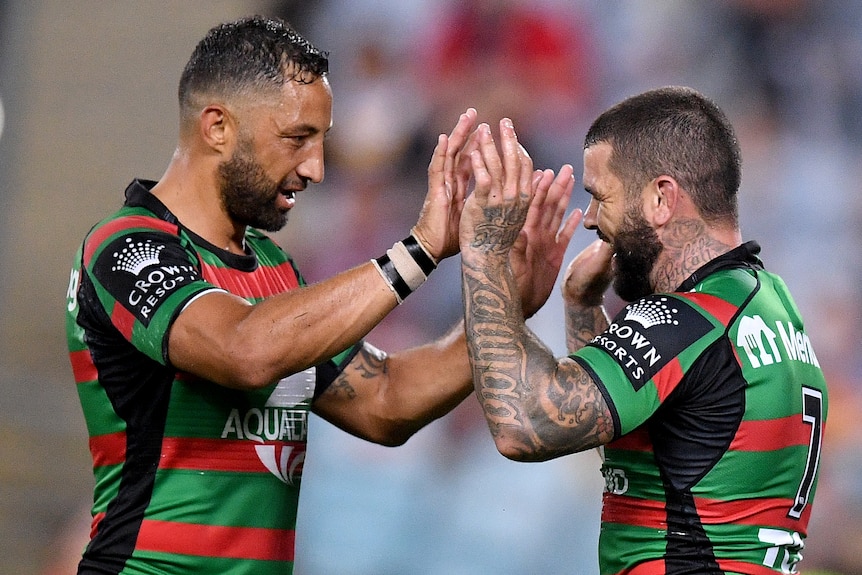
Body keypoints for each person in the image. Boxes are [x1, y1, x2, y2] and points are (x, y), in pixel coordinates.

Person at [64, 15, 577, 575]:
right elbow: (244, 350)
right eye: (297, 138)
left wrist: (502, 305)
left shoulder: (274, 269)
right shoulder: (126, 249)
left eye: (322, 140)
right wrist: (421, 248)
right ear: (217, 127)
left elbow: (385, 402)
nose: (315, 167)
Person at [459, 87, 828, 575]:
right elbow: (631, 428)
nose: (590, 220)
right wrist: (582, 305)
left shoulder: (688, 321)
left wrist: (484, 252)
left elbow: (522, 427)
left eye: (600, 197)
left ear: (661, 198)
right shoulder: (768, 302)